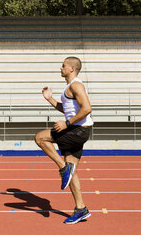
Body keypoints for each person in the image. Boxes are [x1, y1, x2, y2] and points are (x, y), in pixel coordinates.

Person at [34, 56, 94, 224]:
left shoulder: (76, 85)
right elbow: (67, 109)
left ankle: (62, 168)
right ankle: (81, 209)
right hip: (77, 131)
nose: (60, 68)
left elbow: (87, 108)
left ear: (72, 69)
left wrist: (67, 124)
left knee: (40, 138)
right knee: (72, 172)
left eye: (63, 66)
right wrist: (50, 99)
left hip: (78, 131)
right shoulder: (69, 87)